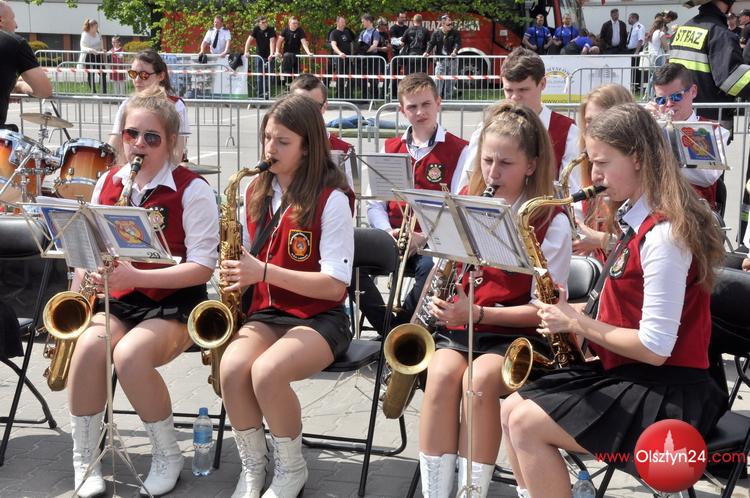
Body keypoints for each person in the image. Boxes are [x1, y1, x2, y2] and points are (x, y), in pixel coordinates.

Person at [500, 103, 727, 498]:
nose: (595, 175)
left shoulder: (664, 236)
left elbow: (655, 349)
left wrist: (576, 322)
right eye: (592, 162)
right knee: (509, 409)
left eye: (603, 163)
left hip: (671, 393)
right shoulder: (637, 222)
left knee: (525, 424)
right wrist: (573, 310)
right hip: (636, 376)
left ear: (637, 158)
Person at [66, 89, 219, 498]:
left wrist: (136, 274)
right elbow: (88, 247)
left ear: (170, 143)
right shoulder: (108, 181)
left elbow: (203, 267)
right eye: (131, 134)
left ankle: (167, 455)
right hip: (118, 299)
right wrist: (81, 284)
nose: (139, 144)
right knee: (89, 348)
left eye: (152, 138)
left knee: (130, 355)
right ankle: (85, 456)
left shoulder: (192, 189)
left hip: (174, 302)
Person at [418, 100, 571, 497]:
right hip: (468, 322)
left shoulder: (550, 221)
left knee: (480, 380)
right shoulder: (467, 202)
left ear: (531, 165)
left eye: (505, 163)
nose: (492, 173)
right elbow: (448, 267)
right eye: (487, 160)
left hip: (520, 336)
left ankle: (472, 492)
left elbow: (545, 309)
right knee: (440, 374)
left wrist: (478, 313)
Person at [218, 94, 354, 498]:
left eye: (282, 142)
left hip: (320, 318)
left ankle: (292, 468)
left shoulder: (332, 199)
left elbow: (335, 285)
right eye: (267, 138)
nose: (270, 149)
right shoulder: (255, 190)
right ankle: (253, 464)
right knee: (231, 368)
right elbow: (246, 256)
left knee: (267, 372)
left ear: (307, 147)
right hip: (266, 313)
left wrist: (262, 271)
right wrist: (235, 276)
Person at [362, 73, 469, 335]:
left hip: (431, 243)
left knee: (431, 269)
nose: (420, 112)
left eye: (426, 104)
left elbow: (456, 205)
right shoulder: (390, 147)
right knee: (349, 261)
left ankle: (404, 330)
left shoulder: (460, 149)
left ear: (438, 103)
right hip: (392, 237)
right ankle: (391, 330)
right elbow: (375, 204)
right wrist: (388, 232)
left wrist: (423, 237)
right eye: (412, 107)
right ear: (402, 110)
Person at [670, 0, 750, 241]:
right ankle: (707, 244)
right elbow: (731, 80)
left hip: (681, 120)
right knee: (709, 191)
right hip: (707, 129)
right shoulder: (719, 33)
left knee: (680, 185)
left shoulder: (685, 27)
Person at [462, 47, 580, 189]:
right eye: (508, 90)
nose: (514, 98)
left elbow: (572, 192)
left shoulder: (568, 132)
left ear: (542, 84)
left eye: (523, 90)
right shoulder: (487, 128)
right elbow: (468, 184)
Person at [646, 63, 729, 211]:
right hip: (653, 208)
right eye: (661, 100)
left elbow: (707, 177)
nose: (669, 104)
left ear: (693, 91)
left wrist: (671, 136)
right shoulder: (650, 127)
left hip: (695, 211)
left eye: (676, 96)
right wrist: (641, 124)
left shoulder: (714, 131)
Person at [571, 84, 634, 260]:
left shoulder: (633, 177)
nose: (593, 129)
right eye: (589, 121)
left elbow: (640, 245)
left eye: (601, 120)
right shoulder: (584, 163)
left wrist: (602, 240)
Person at [108, 49, 190, 165]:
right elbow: (113, 148)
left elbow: (176, 154)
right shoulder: (126, 105)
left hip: (165, 171)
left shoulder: (176, 106)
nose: (137, 80)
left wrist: (153, 173)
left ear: (161, 76)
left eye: (144, 75)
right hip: (131, 170)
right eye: (133, 74)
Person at [0, 0, 52, 131]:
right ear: (1, 20)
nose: (16, 25)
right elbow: (44, 90)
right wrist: (20, 86)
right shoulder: (15, 43)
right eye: (13, 18)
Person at [425, 15, 462, 100]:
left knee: (451, 80)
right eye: (448, 24)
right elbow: (431, 43)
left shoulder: (455, 32)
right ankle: (437, 99)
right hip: (441, 60)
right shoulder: (437, 32)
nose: (451, 26)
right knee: (438, 80)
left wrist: (454, 52)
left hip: (452, 60)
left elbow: (457, 43)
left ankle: (448, 99)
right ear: (443, 24)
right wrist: (427, 52)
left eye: (451, 24)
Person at [244, 16, 276, 100]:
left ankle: (268, 94)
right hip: (259, 56)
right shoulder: (256, 29)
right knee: (259, 76)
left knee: (270, 76)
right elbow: (249, 40)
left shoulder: (271, 29)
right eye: (263, 22)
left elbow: (272, 41)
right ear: (259, 23)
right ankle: (260, 96)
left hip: (269, 56)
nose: (265, 24)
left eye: (266, 22)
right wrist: (246, 51)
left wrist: (271, 54)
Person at [276, 17, 313, 84]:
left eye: (297, 23)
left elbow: (303, 42)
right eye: (294, 23)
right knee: (287, 72)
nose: (296, 25)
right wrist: (277, 51)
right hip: (287, 55)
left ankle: (295, 87)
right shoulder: (285, 30)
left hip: (297, 54)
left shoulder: (300, 30)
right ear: (289, 23)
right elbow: (279, 41)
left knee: (296, 73)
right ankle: (287, 83)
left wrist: (308, 52)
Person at [328, 15, 356, 99]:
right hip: (339, 59)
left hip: (348, 58)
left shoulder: (347, 32)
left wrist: (353, 54)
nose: (344, 24)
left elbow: (352, 43)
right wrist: (340, 53)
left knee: (352, 77)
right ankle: (339, 96)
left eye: (344, 22)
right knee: (340, 78)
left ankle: (349, 96)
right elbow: (333, 45)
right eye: (342, 22)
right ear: (337, 23)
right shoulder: (334, 33)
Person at [356, 13, 382, 100]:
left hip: (372, 58)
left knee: (373, 78)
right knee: (363, 78)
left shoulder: (375, 32)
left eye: (363, 21)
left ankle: (375, 98)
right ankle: (364, 98)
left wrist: (365, 51)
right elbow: (359, 44)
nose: (362, 23)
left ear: (368, 21)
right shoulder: (362, 32)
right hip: (363, 59)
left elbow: (375, 45)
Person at [79, 19, 106, 94]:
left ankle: (104, 92)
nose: (97, 28)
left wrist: (102, 49)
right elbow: (82, 47)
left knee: (103, 73)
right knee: (91, 74)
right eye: (96, 27)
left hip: (98, 55)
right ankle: (93, 92)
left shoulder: (98, 33)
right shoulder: (85, 34)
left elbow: (101, 41)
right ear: (91, 27)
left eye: (97, 27)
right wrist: (90, 50)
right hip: (89, 56)